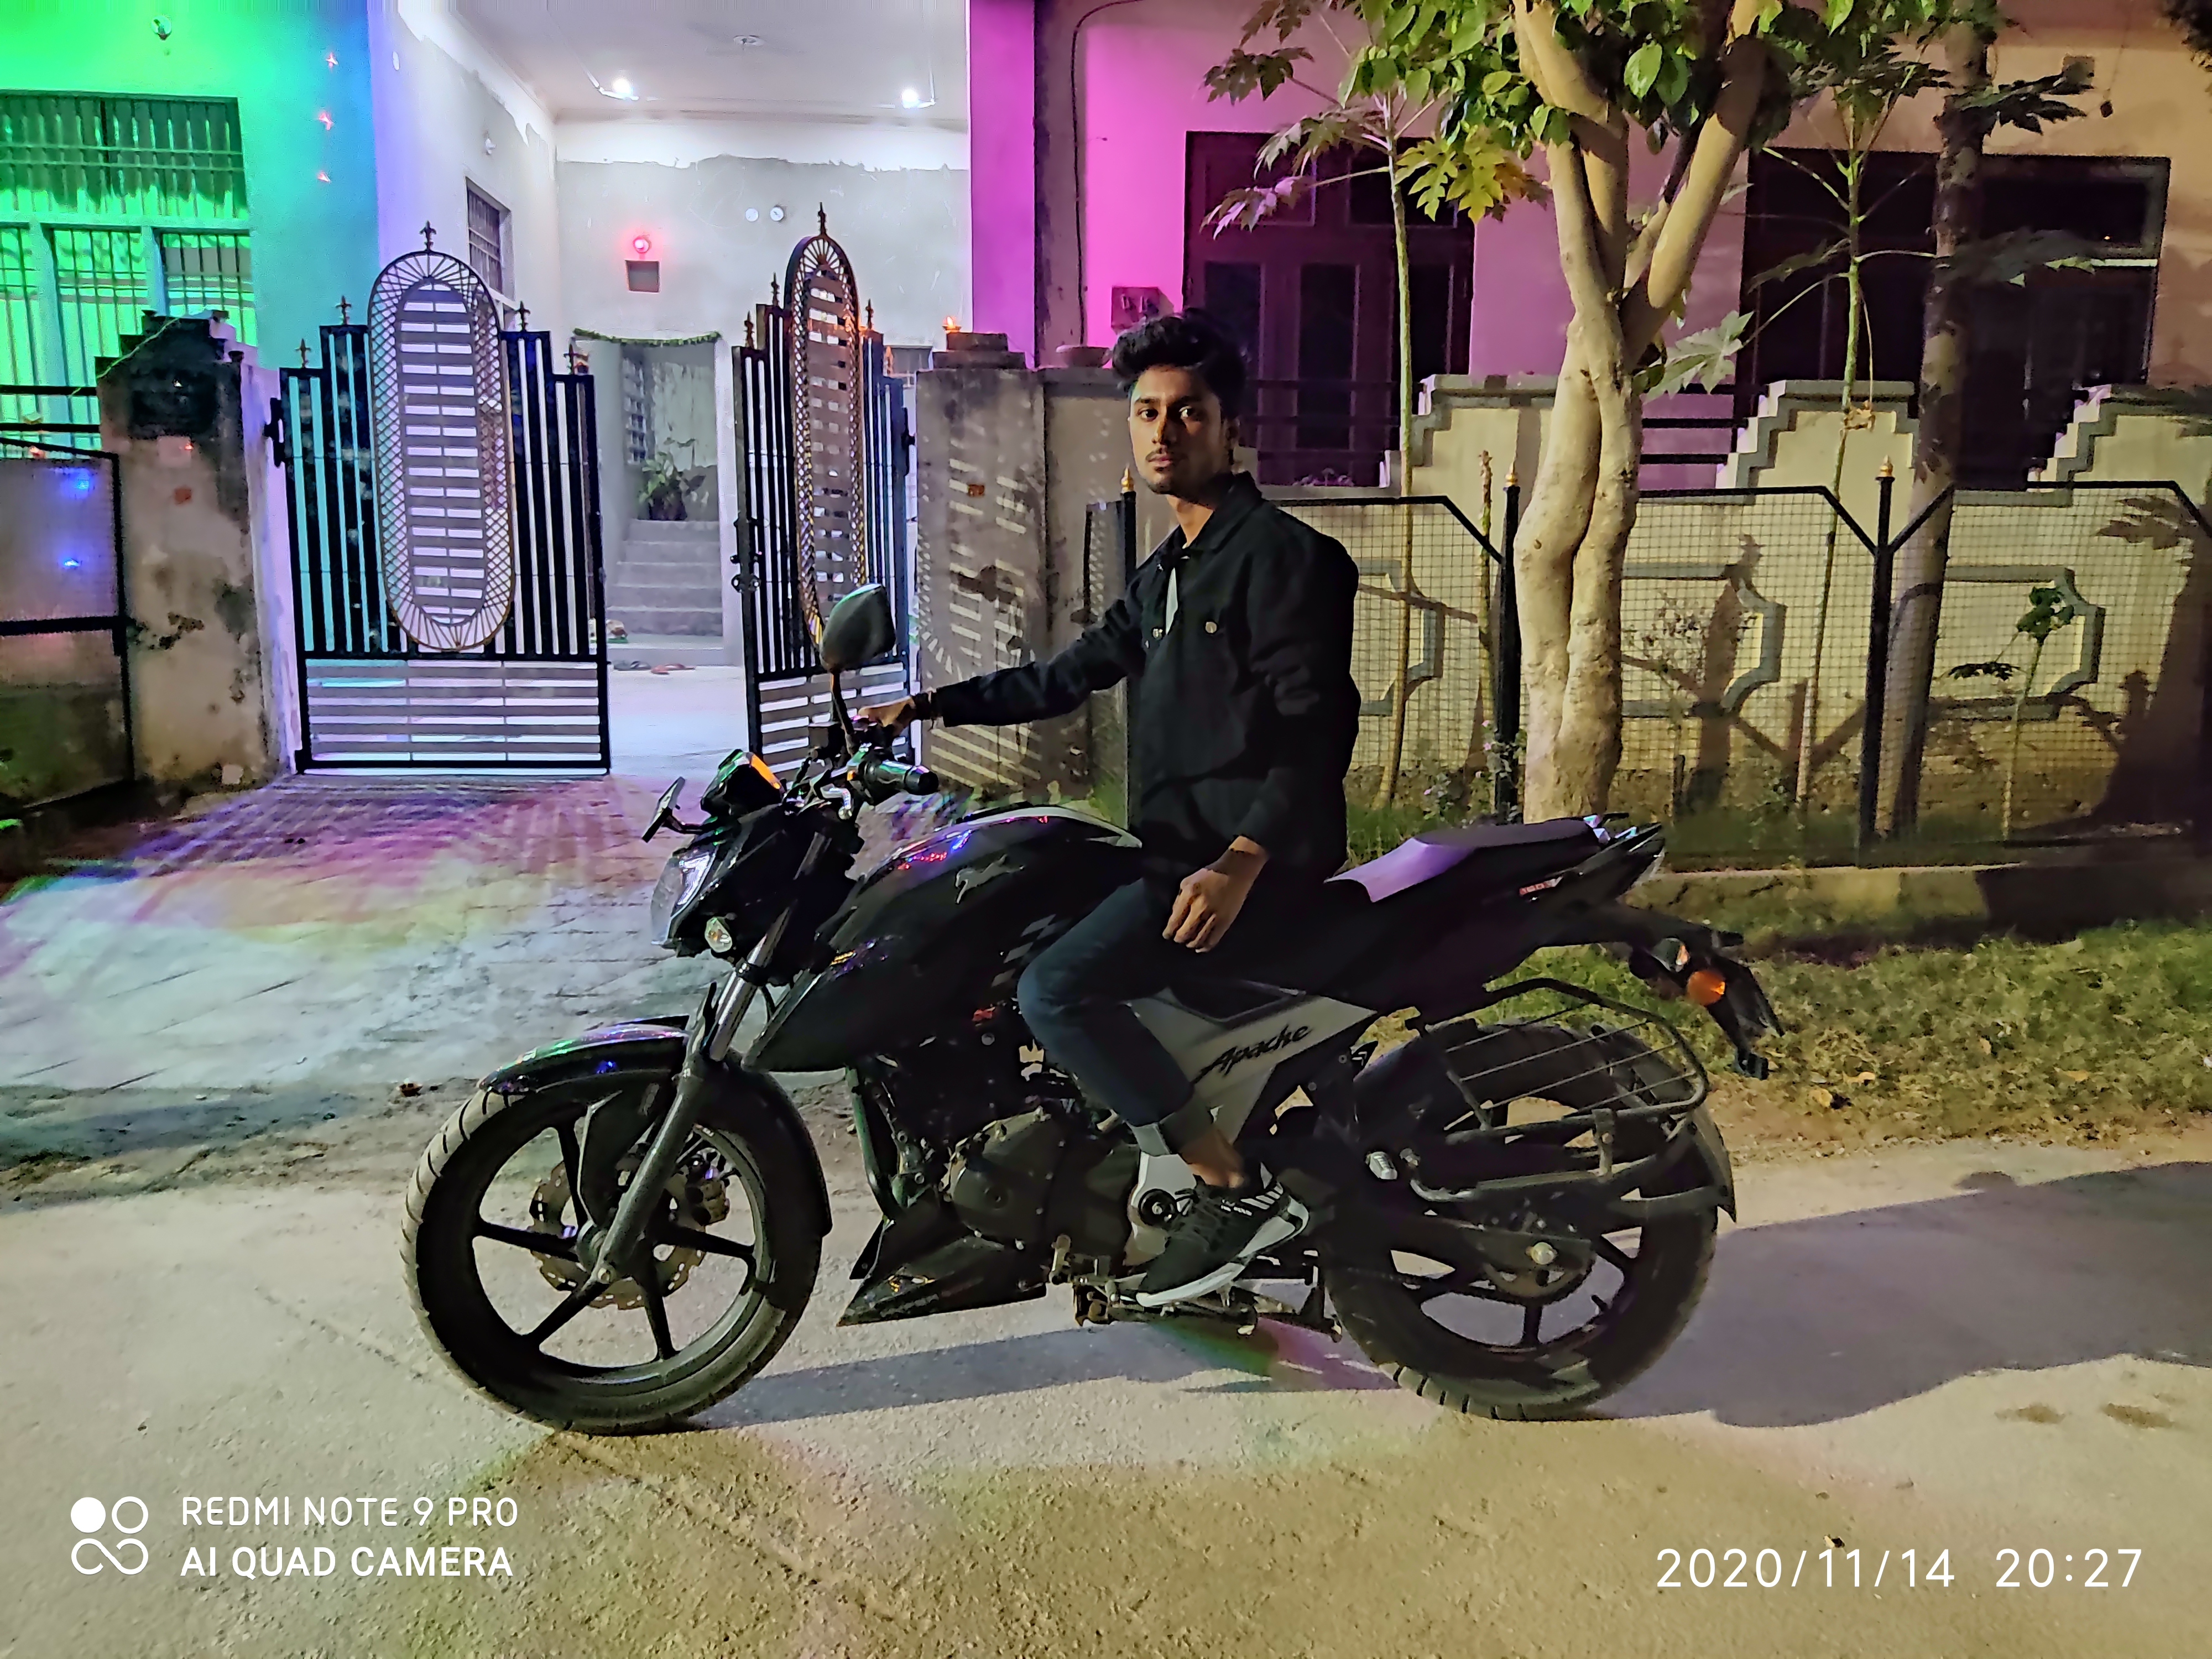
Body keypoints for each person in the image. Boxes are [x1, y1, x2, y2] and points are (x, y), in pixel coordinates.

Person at [860, 310, 1359, 1307]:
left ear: (1230, 427)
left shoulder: (1280, 558)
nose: (1164, 431)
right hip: (1175, 849)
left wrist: (1244, 859)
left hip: (1237, 866)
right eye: (1147, 412)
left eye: (1188, 412)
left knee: (1056, 991)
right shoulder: (1170, 570)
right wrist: (925, 706)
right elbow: (1067, 675)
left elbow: (1319, 729)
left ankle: (1227, 1185)